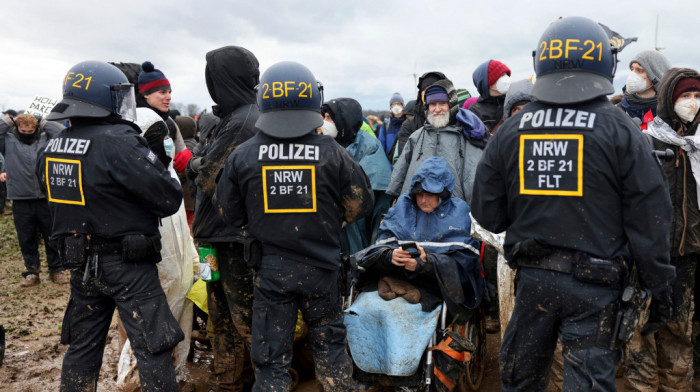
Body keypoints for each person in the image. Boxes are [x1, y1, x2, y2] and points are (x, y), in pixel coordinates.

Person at [470, 17, 675, 391]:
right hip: (597, 288)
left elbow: (487, 215)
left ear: (542, 61)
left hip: (534, 283)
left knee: (520, 381)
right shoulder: (621, 130)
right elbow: (651, 219)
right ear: (604, 63)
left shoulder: (512, 130)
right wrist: (659, 286)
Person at [215, 61, 374, 391]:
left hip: (271, 272)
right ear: (313, 99)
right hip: (323, 270)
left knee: (271, 361)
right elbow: (359, 205)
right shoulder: (336, 155)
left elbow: (228, 212)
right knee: (330, 353)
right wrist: (328, 220)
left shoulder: (243, 156)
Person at [39, 60, 184, 391]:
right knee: (153, 347)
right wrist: (157, 164)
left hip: (80, 263)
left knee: (82, 347)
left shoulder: (53, 145)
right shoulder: (119, 141)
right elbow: (168, 198)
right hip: (127, 265)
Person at [186, 45, 260, 391]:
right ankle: (229, 379)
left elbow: (205, 175)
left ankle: (268, 379)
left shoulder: (244, 119)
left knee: (243, 316)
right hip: (212, 236)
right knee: (220, 315)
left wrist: (196, 162)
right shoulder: (232, 116)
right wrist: (200, 161)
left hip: (233, 239)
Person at [628, 68, 700, 391]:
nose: (692, 102)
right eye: (685, 96)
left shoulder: (697, 146)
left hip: (686, 257)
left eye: (698, 96)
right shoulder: (646, 141)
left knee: (678, 331)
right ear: (670, 100)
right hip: (646, 258)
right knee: (639, 333)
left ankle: (676, 386)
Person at [115, 107, 197, 390]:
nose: (164, 141)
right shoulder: (135, 177)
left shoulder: (170, 173)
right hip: (155, 273)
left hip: (181, 272)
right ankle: (131, 383)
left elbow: (181, 228)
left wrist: (194, 262)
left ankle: (177, 375)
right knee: (150, 336)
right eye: (155, 136)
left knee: (179, 330)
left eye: (165, 134)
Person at [387, 76, 486, 203]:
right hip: (419, 210)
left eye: (442, 104)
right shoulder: (416, 137)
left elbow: (473, 179)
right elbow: (400, 175)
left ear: (451, 105)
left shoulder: (466, 136)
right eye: (433, 104)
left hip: (456, 212)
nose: (437, 109)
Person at [0, 112, 66, 286]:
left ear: (36, 128)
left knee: (52, 236)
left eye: (30, 131)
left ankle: (56, 270)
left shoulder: (46, 138)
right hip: (20, 198)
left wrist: (43, 122)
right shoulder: (7, 140)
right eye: (23, 130)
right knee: (26, 237)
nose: (27, 133)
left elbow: (61, 133)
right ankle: (32, 272)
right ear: (17, 128)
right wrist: (8, 120)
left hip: (45, 196)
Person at [321, 97, 392, 253]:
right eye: (324, 117)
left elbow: (375, 187)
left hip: (360, 232)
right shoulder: (326, 143)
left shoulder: (369, 146)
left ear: (343, 119)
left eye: (329, 117)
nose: (324, 122)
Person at [136, 61, 193, 174]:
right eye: (162, 92)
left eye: (169, 92)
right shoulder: (132, 120)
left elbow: (180, 150)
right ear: (146, 94)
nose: (169, 97)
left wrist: (188, 155)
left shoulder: (170, 122)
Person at [394, 72, 446, 158]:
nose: (428, 93)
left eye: (433, 88)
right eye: (425, 89)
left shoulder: (455, 121)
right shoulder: (409, 125)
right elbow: (404, 158)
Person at [619, 50, 671, 130]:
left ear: (655, 77)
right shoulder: (618, 112)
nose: (633, 75)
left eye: (640, 70)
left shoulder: (669, 117)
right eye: (632, 69)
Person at [468, 59, 511, 134]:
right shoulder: (474, 111)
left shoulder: (512, 102)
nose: (506, 79)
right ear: (487, 83)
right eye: (501, 76)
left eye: (506, 75)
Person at [175, 115, 198, 229]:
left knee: (187, 227)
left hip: (187, 197)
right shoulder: (195, 144)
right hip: (193, 197)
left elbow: (184, 171)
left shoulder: (185, 148)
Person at [377, 92, 407, 158]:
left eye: (398, 104)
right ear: (390, 107)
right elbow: (381, 148)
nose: (396, 106)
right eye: (393, 104)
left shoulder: (408, 123)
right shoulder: (385, 125)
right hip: (390, 164)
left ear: (403, 106)